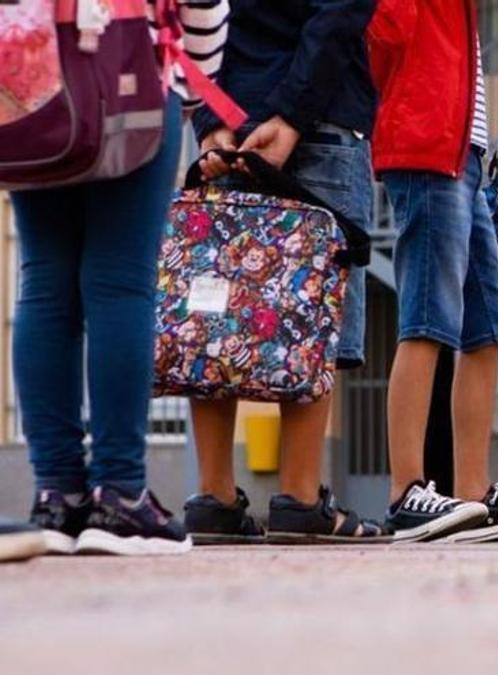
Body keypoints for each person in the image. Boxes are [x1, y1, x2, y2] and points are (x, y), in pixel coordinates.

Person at [19, 0, 228, 556]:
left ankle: (58, 496)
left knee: (43, 284)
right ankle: (120, 495)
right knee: (119, 283)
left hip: (33, 82)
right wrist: (183, 89)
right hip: (132, 71)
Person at [183, 0, 387, 544]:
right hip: (320, 115)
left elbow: (194, 15)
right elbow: (339, 13)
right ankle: (299, 498)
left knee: (215, 307)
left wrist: (210, 122)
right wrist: (291, 115)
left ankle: (214, 497)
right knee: (317, 308)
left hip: (228, 125)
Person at [369, 0, 498, 543]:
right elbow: (381, 34)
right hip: (427, 150)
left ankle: (473, 494)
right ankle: (405, 490)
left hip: (463, 156)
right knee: (429, 317)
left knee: (488, 327)